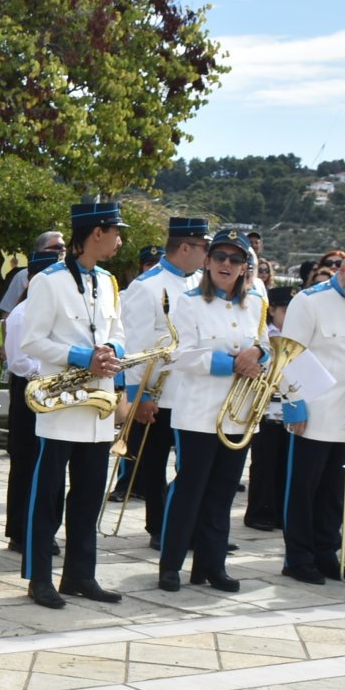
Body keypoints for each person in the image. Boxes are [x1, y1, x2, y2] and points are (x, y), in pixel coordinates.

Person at [20, 200, 128, 609]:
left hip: (97, 408)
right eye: (115, 231)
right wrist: (83, 357)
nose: (119, 239)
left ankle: (81, 575)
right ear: (96, 233)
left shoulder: (109, 281)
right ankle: (40, 577)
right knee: (46, 498)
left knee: (88, 496)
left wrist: (112, 349)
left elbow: (119, 331)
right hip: (61, 406)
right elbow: (32, 341)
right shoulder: (48, 281)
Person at [157, 231, 266, 593]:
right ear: (207, 261)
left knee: (222, 494)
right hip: (199, 413)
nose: (226, 264)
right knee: (189, 490)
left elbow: (266, 345)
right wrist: (234, 362)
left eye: (235, 260)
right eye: (219, 256)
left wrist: (260, 355)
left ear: (244, 267)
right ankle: (170, 564)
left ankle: (211, 564)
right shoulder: (188, 303)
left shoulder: (255, 305)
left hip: (239, 413)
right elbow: (181, 355)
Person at [278, 237, 345, 585]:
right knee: (303, 488)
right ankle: (297, 557)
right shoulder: (308, 302)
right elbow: (288, 355)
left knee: (334, 491)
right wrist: (293, 404)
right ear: (343, 268)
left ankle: (327, 553)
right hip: (313, 408)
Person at [114, 217, 210, 542]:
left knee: (193, 466)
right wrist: (138, 395)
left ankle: (188, 522)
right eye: (203, 247)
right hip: (159, 392)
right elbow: (136, 346)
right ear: (185, 247)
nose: (207, 255)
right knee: (154, 464)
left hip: (195, 392)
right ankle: (159, 526)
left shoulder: (202, 284)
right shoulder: (146, 286)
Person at [2, 244, 62, 552]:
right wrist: (52, 368)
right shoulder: (21, 314)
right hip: (29, 390)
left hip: (53, 392)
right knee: (26, 461)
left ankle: (45, 527)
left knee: (51, 463)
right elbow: (18, 362)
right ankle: (20, 530)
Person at [243, 286, 294, 531]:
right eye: (285, 309)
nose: (289, 315)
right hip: (265, 405)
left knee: (284, 460)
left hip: (287, 404)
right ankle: (258, 511)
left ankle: (279, 510)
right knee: (264, 460)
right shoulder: (267, 335)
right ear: (272, 310)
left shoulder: (295, 336)